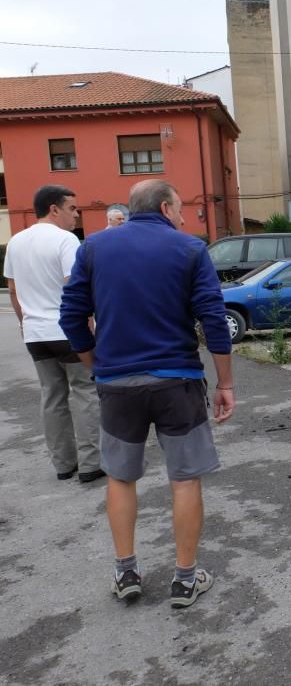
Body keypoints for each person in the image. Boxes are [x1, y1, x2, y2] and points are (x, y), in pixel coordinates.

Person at [60, 179, 235, 608]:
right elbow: (214, 318)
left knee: (120, 477)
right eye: (179, 208)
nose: (182, 217)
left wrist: (93, 365)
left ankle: (125, 573)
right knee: (185, 477)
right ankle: (185, 579)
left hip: (117, 384)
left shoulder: (94, 248)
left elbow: (71, 316)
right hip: (177, 382)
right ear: (163, 207)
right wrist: (225, 383)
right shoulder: (190, 249)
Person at [2, 185, 103, 483]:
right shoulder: (66, 240)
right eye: (72, 208)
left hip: (36, 334)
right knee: (85, 392)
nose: (77, 214)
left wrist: (24, 323)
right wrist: (88, 324)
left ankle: (63, 464)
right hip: (66, 331)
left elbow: (12, 289)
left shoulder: (16, 242)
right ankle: (90, 463)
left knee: (52, 397)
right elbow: (76, 287)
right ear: (54, 209)